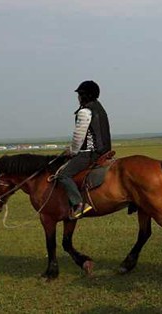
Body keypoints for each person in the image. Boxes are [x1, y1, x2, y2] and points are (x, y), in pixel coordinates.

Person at [58, 80, 112, 219]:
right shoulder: (100, 109)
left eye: (79, 95)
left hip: (90, 154)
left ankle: (78, 204)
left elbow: (79, 137)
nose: (78, 98)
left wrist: (71, 151)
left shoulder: (85, 112)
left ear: (84, 95)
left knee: (63, 175)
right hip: (105, 152)